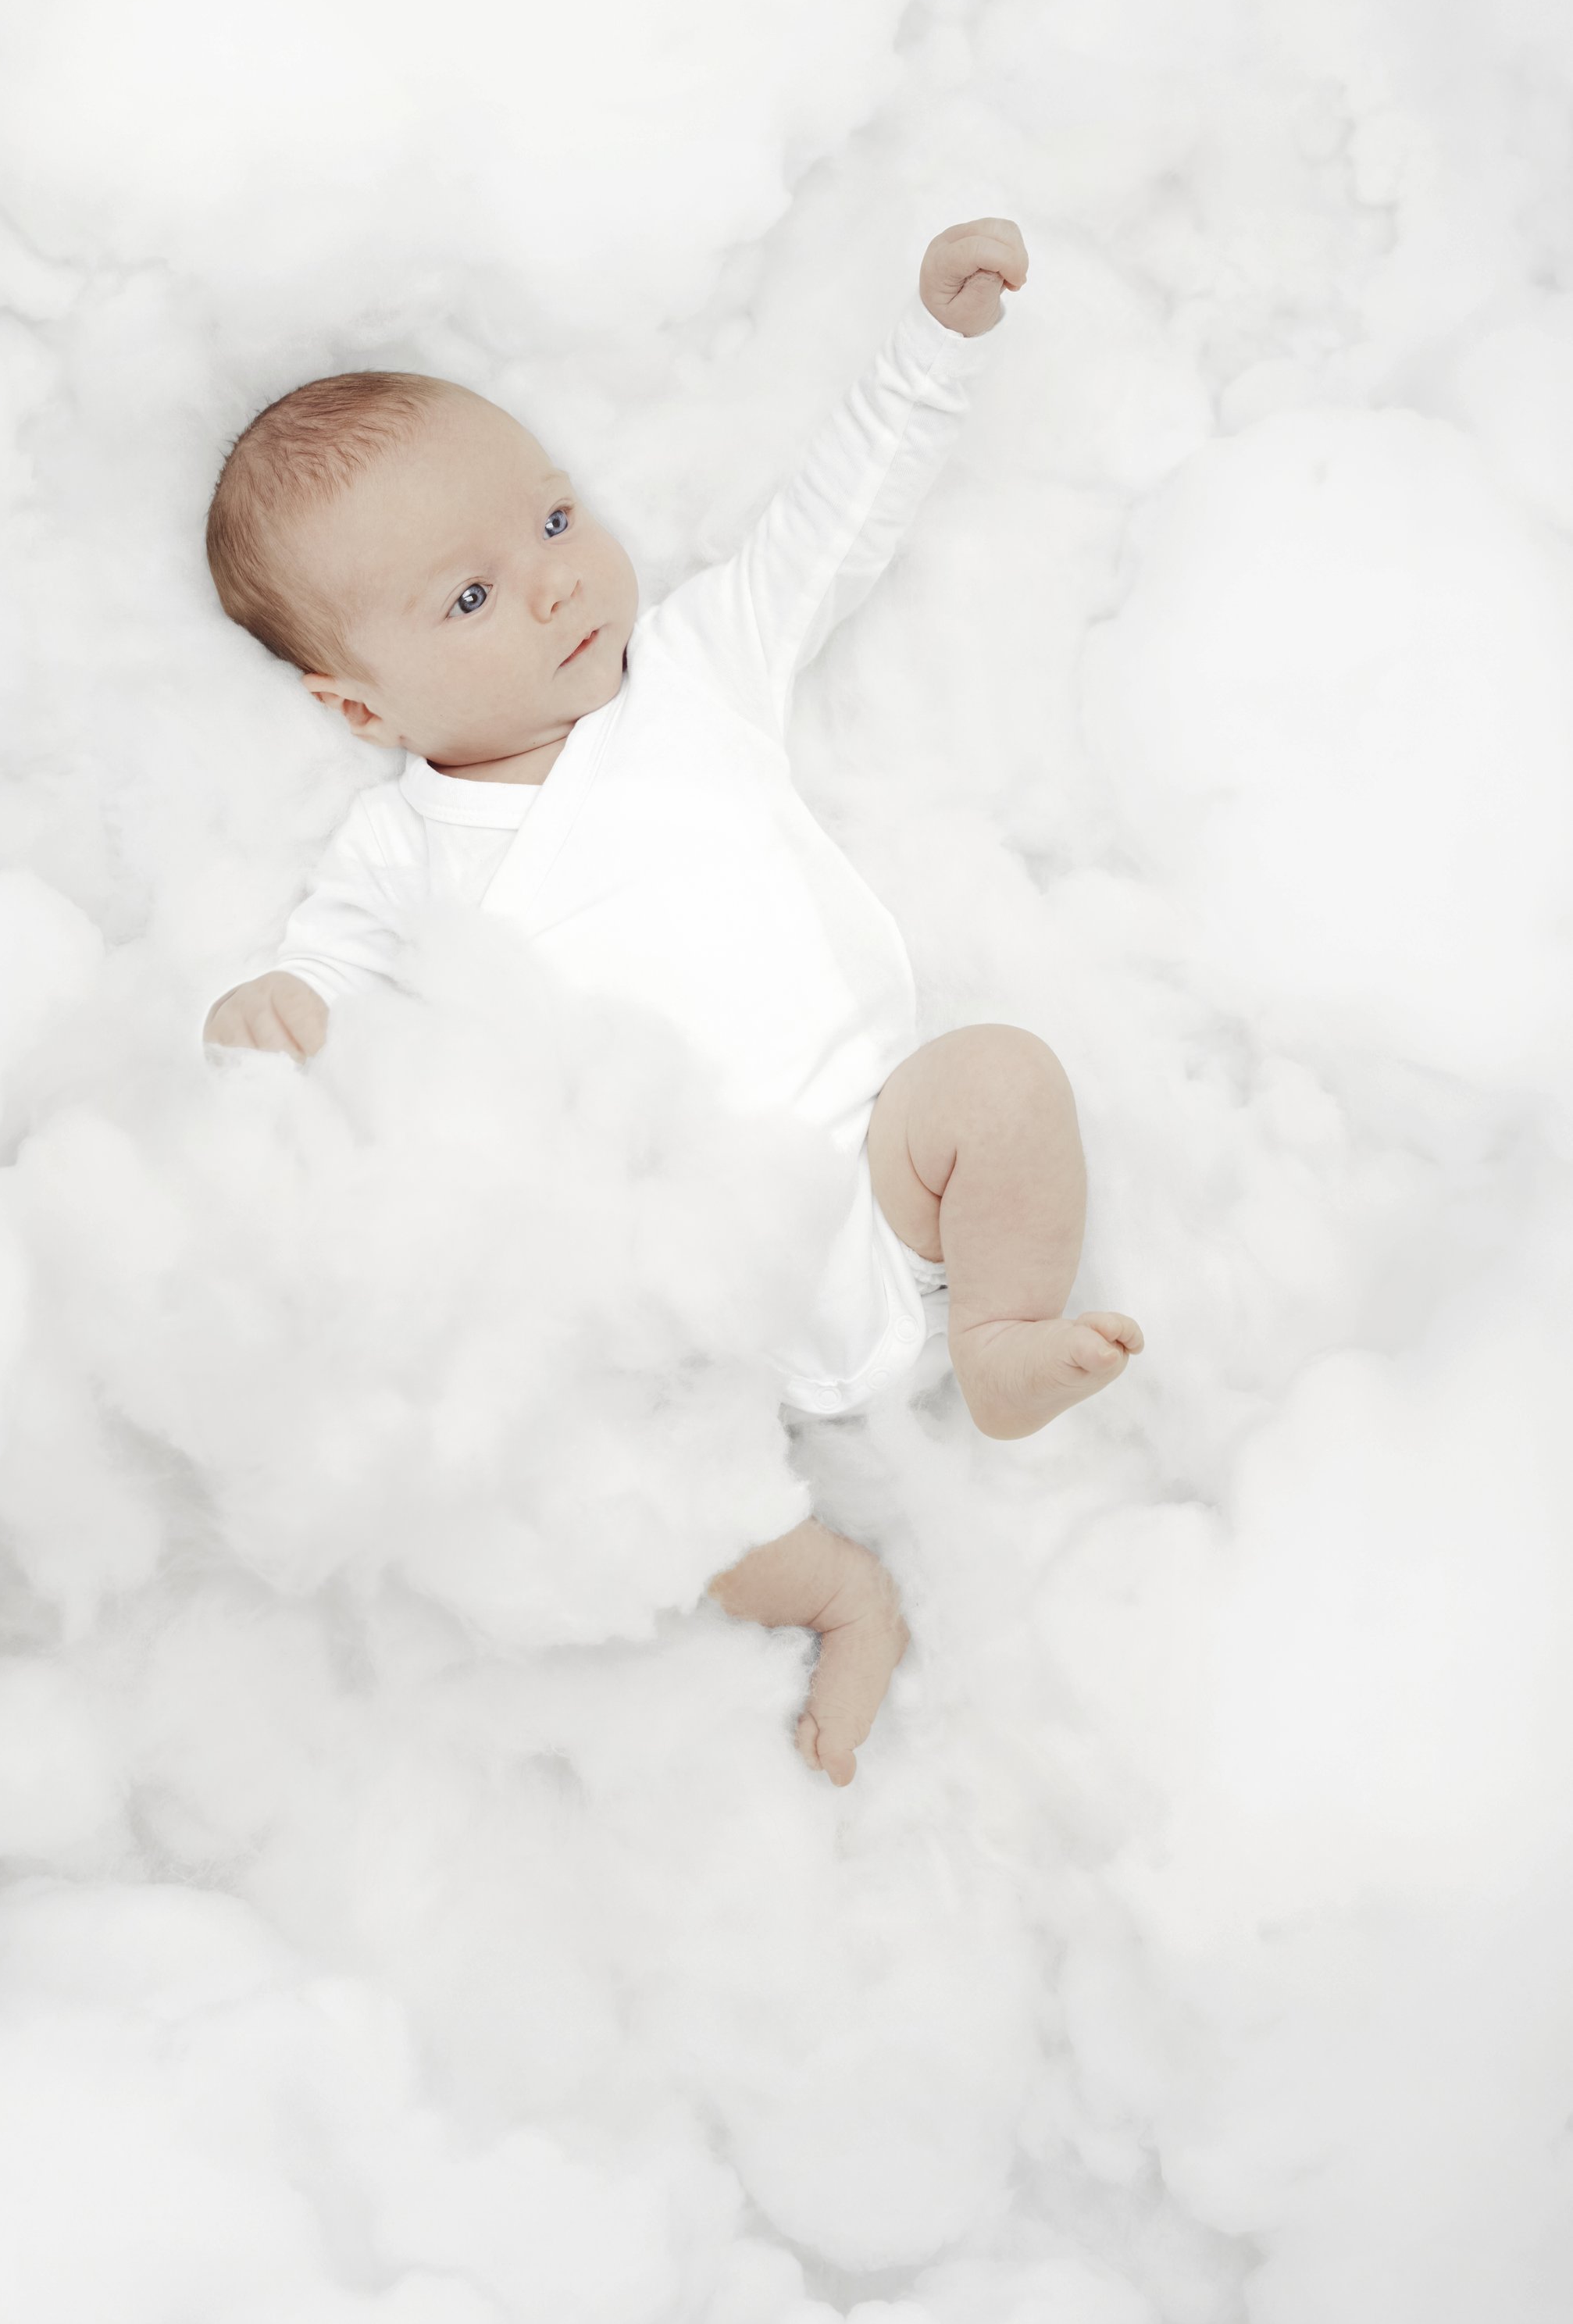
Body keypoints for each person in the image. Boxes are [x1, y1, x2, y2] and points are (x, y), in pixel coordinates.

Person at [202, 221, 1141, 1782]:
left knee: (999, 1081)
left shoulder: (695, 671)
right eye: (468, 599)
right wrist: (267, 1014)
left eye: (554, 515)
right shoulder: (398, 848)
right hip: (668, 1310)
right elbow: (319, 984)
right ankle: (831, 1594)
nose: (558, 584)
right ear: (358, 706)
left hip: (876, 1170)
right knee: (558, 1478)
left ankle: (997, 1332)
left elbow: (835, 517)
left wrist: (932, 344)